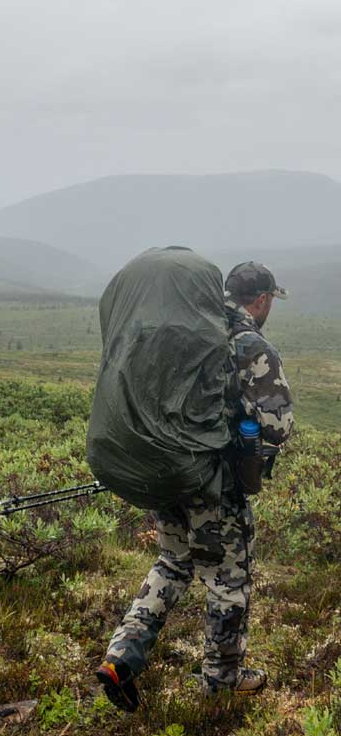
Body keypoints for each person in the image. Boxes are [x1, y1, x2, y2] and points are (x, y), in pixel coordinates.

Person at [97, 260, 294, 710]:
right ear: (261, 300)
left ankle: (121, 654)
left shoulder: (185, 335)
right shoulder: (249, 344)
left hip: (166, 472)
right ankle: (222, 679)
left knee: (172, 562)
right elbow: (279, 426)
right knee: (229, 576)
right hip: (213, 483)